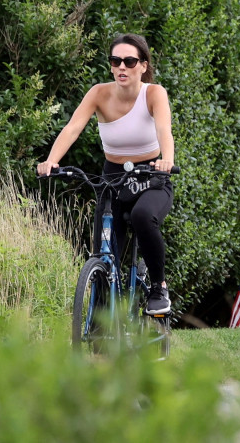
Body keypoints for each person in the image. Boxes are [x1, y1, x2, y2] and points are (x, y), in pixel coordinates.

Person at [37, 33, 176, 314]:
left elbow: (164, 130)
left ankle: (158, 287)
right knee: (104, 252)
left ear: (143, 65)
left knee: (141, 217)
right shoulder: (99, 93)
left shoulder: (154, 93)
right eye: (116, 61)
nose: (122, 67)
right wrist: (51, 161)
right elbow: (73, 128)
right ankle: (98, 332)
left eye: (129, 61)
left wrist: (166, 160)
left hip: (150, 176)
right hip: (112, 178)